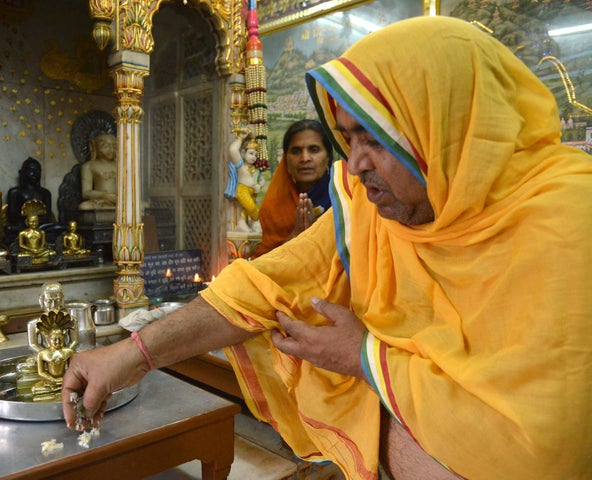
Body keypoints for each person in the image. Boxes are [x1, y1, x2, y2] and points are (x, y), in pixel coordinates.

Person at [62, 16, 591, 480]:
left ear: (447, 129)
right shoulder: (372, 209)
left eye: (375, 139)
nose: (354, 165)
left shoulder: (567, 222)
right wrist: (133, 355)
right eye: (347, 139)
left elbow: (546, 448)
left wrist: (366, 359)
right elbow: (264, 284)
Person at [253, 119, 333, 257]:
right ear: (286, 161)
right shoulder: (275, 208)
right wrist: (296, 235)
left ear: (328, 158)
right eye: (296, 151)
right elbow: (265, 264)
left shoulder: (344, 199)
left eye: (314, 150)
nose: (304, 158)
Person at [5, 157, 55, 244]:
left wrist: (36, 222)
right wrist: (29, 221)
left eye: (38, 171)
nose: (35, 173)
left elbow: (47, 215)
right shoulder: (15, 192)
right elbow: (12, 216)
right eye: (31, 170)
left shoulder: (45, 193)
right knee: (9, 229)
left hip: (41, 226)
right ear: (22, 172)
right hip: (22, 226)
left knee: (59, 227)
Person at [224, 130, 266, 232]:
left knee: (246, 210)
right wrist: (240, 138)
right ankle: (256, 221)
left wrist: (259, 186)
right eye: (251, 153)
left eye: (256, 155)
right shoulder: (241, 166)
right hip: (242, 190)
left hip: (252, 192)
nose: (253, 157)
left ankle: (242, 224)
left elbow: (262, 180)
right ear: (243, 153)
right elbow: (233, 150)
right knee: (252, 208)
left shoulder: (255, 170)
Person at [78, 132, 117, 210]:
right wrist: (106, 196)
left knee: (145, 205)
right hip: (101, 201)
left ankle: (117, 210)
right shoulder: (88, 166)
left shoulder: (120, 166)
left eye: (114, 146)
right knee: (84, 206)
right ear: (94, 147)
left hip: (120, 201)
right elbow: (86, 193)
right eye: (106, 146)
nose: (111, 149)